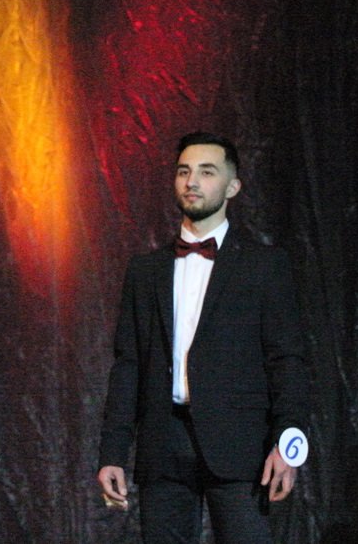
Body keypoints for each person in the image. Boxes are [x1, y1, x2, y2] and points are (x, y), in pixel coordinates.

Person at [97, 132, 310, 543]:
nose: (192, 181)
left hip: (241, 446)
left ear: (233, 186)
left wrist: (287, 441)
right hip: (164, 444)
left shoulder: (264, 267)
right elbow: (128, 367)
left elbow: (287, 361)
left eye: (207, 172)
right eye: (184, 171)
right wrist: (112, 454)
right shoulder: (146, 271)